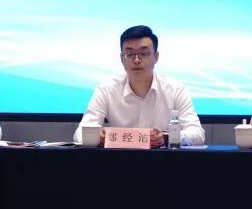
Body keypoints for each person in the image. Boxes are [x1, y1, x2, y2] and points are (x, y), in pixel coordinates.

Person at [74, 25, 204, 147]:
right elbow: (80, 133)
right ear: (122, 58)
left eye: (143, 53)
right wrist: (97, 137)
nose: (136, 60)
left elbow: (197, 133)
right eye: (129, 54)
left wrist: (168, 137)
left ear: (156, 57)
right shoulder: (107, 89)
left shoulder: (175, 89)